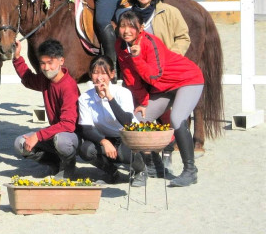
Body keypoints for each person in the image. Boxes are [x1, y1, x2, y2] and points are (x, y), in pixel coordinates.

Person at [115, 10, 204, 187]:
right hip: (163, 88)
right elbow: (131, 78)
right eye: (123, 26)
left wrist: (137, 57)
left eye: (131, 26)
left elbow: (154, 75)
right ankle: (153, 164)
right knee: (138, 119)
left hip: (187, 79)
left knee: (177, 118)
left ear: (140, 28)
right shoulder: (121, 46)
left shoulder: (150, 42)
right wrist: (143, 102)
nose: (126, 30)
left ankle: (190, 170)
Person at [12, 39, 80, 179]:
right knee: (20, 144)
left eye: (50, 63)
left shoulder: (68, 86)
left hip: (72, 135)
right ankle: (56, 163)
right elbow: (29, 80)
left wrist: (37, 136)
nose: (46, 68)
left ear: (61, 61)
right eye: (42, 63)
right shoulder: (45, 79)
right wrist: (17, 58)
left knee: (61, 141)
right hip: (55, 132)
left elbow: (68, 124)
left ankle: (69, 165)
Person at [77, 55, 147, 186]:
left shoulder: (123, 92)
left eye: (104, 73)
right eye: (95, 72)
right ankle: (112, 172)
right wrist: (103, 141)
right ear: (90, 75)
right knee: (86, 149)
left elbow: (126, 121)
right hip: (106, 136)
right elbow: (86, 129)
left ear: (112, 74)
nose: (99, 77)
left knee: (125, 154)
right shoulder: (85, 98)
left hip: (128, 135)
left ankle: (140, 170)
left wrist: (109, 97)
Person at [118, 0, 190, 55]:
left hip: (165, 65)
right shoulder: (127, 16)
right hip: (137, 65)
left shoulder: (170, 12)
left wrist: (171, 56)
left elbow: (183, 38)